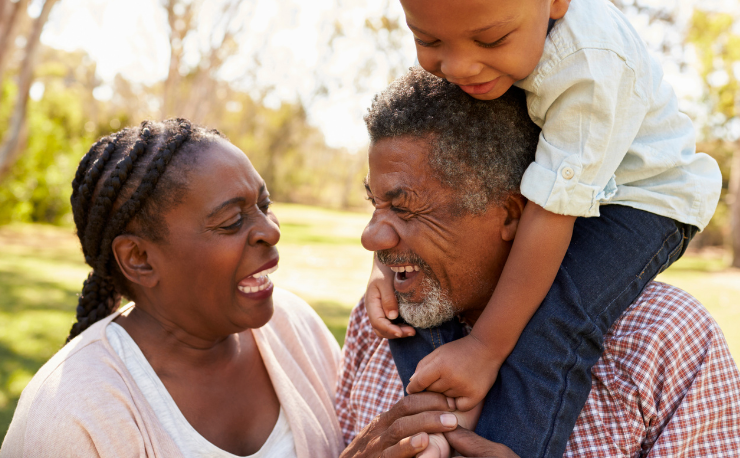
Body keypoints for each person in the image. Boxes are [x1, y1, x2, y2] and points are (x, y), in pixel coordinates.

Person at [364, 0, 723, 458]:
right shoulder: (493, 20)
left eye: (490, 39)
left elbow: (549, 216)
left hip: (643, 198)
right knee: (425, 302)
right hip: (570, 186)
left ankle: (509, 446)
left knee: (556, 319)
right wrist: (390, 265)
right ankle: (440, 434)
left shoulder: (588, 71)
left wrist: (485, 350)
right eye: (428, 39)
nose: (458, 67)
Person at [340, 67, 740, 457]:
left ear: (513, 214)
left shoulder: (663, 340)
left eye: (405, 208)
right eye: (374, 204)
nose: (370, 237)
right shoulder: (377, 320)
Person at [1, 118, 460, 458]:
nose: (270, 231)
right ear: (138, 259)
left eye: (264, 204)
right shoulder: (71, 418)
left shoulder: (294, 327)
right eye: (231, 220)